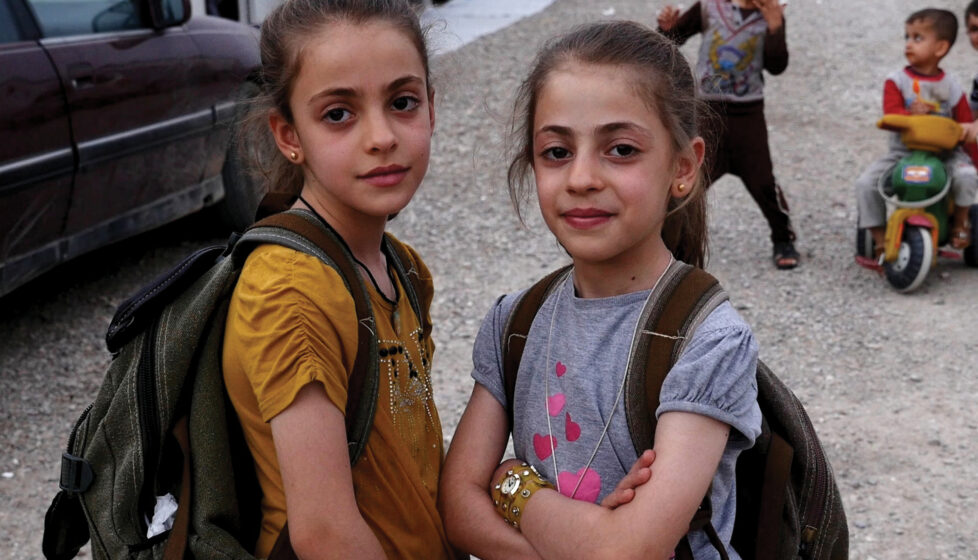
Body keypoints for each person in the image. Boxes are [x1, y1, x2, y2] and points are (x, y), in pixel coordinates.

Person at [439, 21, 762, 559]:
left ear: (683, 167)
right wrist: (577, 538)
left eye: (620, 149)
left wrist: (512, 486)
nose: (582, 177)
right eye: (557, 152)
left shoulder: (710, 343)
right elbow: (455, 507)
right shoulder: (515, 321)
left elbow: (625, 552)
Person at [220, 0, 459, 558]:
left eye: (403, 102)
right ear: (288, 134)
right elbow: (325, 534)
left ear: (431, 107)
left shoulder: (399, 265)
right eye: (338, 114)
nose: (381, 137)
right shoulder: (289, 291)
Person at [656, 0, 799, 269]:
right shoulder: (710, 6)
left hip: (748, 113)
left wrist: (775, 25)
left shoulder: (771, 13)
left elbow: (777, 65)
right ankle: (673, 246)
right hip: (708, 111)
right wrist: (666, 29)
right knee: (689, 181)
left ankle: (783, 238)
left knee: (763, 182)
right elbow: (674, 39)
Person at [854, 8, 977, 253]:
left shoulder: (951, 86)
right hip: (904, 154)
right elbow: (890, 115)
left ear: (940, 48)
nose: (909, 44)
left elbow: (965, 125)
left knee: (966, 175)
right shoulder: (897, 81)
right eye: (907, 37)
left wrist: (972, 155)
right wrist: (908, 115)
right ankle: (879, 239)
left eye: (918, 38)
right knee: (866, 183)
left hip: (945, 155)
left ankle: (961, 221)